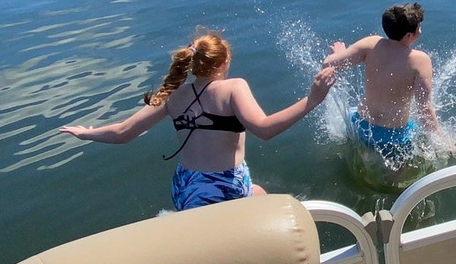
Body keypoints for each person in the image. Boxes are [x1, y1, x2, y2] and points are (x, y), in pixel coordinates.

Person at [61, 31, 336, 210]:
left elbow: (123, 132)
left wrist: (87, 133)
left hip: (186, 186)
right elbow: (264, 130)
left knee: (260, 194)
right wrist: (312, 99)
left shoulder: (173, 95)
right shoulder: (233, 88)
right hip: (223, 186)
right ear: (225, 61)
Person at [323, 3, 456, 163]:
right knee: (395, 175)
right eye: (418, 27)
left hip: (359, 125)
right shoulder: (419, 61)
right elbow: (424, 109)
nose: (420, 30)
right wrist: (444, 140)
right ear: (409, 35)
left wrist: (342, 53)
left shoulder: (371, 44)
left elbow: (329, 65)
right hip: (393, 138)